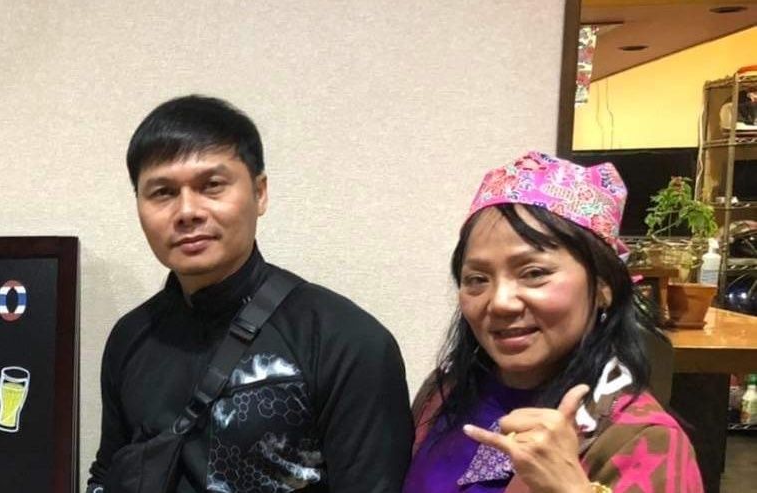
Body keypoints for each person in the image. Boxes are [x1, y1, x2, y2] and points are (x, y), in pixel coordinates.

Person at [86, 95, 413, 492]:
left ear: (260, 193)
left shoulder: (344, 339)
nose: (187, 211)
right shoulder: (130, 336)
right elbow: (108, 473)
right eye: (163, 192)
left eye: (212, 186)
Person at [404, 152, 702, 492]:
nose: (500, 302)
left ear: (604, 285)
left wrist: (571, 488)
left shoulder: (645, 439)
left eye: (533, 273)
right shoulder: (444, 393)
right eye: (477, 279)